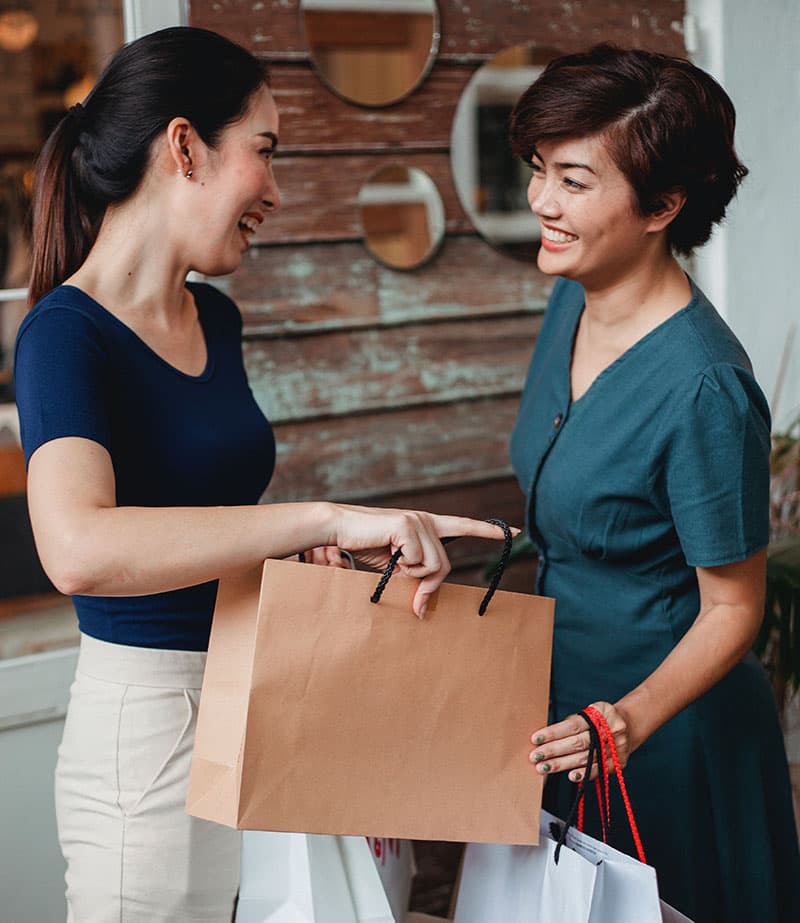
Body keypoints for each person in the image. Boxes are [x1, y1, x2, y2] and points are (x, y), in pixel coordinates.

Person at [13, 26, 509, 923]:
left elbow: (206, 521)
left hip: (262, 698)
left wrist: (303, 560)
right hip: (150, 733)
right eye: (265, 153)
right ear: (183, 148)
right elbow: (78, 547)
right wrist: (320, 521)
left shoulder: (217, 317)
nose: (275, 191)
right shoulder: (65, 334)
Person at [507, 44, 800, 922]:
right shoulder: (572, 298)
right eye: (537, 170)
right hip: (568, 728)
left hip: (670, 742)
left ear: (663, 206)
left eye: (572, 180)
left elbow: (732, 610)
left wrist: (626, 721)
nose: (541, 204)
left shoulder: (703, 384)